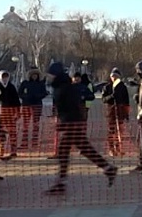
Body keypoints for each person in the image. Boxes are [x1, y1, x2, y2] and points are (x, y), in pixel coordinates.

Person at [45, 61, 117, 195]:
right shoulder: (62, 86)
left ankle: (61, 183)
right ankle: (108, 168)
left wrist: (64, 122)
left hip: (72, 123)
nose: (49, 77)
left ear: (55, 74)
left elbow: (71, 106)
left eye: (50, 74)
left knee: (65, 151)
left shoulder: (64, 87)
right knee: (82, 148)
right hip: (73, 122)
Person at [101, 67, 130, 156]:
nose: (114, 78)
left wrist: (126, 113)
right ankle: (111, 149)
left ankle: (118, 148)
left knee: (119, 132)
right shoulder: (107, 87)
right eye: (113, 76)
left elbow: (126, 100)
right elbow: (104, 99)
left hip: (120, 111)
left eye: (116, 76)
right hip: (111, 112)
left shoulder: (122, 87)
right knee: (111, 131)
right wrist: (111, 96)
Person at [18, 68, 48, 151]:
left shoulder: (41, 83)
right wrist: (25, 97)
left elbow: (44, 93)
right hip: (27, 105)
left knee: (36, 124)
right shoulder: (25, 83)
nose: (34, 76)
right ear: (30, 76)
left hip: (37, 105)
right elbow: (20, 93)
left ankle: (34, 141)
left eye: (36, 75)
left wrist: (39, 96)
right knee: (25, 124)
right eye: (33, 75)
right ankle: (24, 142)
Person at [0, 70, 21, 159]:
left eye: (6, 77)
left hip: (10, 112)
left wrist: (17, 112)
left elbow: (16, 100)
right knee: (0, 132)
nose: (5, 79)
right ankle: (0, 150)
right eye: (3, 77)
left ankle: (13, 151)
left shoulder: (11, 87)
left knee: (12, 132)